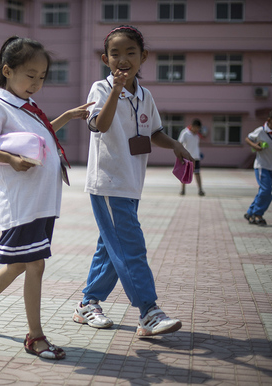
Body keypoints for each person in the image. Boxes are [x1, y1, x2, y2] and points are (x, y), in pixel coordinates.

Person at [0, 36, 93, 359]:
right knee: (34, 264)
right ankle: (35, 338)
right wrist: (9, 160)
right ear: (7, 71)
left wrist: (68, 116)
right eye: (30, 75)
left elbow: (39, 136)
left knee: (19, 265)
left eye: (41, 77)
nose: (36, 83)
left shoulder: (28, 107)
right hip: (23, 204)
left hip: (41, 202)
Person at [72, 25, 193, 337]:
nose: (122, 59)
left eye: (130, 53)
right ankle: (149, 311)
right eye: (115, 54)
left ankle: (88, 303)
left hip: (131, 182)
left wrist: (175, 145)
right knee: (131, 246)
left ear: (143, 58)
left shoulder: (146, 95)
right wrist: (115, 90)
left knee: (111, 248)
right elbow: (100, 124)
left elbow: (153, 132)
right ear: (105, 59)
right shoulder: (100, 89)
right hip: (108, 182)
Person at [178, 119, 205, 196]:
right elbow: (180, 143)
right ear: (192, 126)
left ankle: (200, 190)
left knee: (197, 173)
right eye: (196, 128)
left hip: (196, 157)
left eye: (198, 129)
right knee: (185, 173)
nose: (197, 130)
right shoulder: (185, 133)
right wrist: (181, 154)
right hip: (187, 157)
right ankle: (183, 190)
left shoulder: (197, 135)